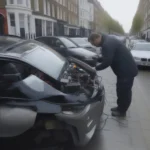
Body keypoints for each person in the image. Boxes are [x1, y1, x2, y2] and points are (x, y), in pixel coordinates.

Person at [88, 33, 138, 117]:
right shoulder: (108, 39)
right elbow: (109, 56)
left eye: (93, 43)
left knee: (124, 92)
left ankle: (122, 112)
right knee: (120, 89)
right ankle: (120, 107)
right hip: (124, 71)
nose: (94, 46)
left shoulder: (107, 44)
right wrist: (98, 59)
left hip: (126, 71)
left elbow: (107, 62)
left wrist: (95, 68)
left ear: (97, 38)